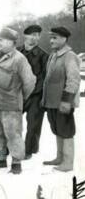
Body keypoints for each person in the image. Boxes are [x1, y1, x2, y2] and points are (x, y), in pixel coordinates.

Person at [0, 27, 36, 174]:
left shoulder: (19, 59)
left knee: (13, 134)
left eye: (1, 40)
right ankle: (0, 160)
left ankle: (16, 164)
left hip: (10, 105)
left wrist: (19, 98)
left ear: (11, 42)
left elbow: (30, 82)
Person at [42, 27, 81, 172]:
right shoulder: (54, 55)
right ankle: (59, 158)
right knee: (57, 129)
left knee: (66, 131)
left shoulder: (70, 56)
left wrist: (67, 100)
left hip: (63, 102)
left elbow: (74, 80)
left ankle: (68, 163)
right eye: (51, 37)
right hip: (52, 102)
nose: (51, 40)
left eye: (55, 38)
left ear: (64, 39)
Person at [17, 25, 49, 160]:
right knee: (12, 121)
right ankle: (11, 146)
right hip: (17, 93)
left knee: (34, 123)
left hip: (36, 94)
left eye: (37, 35)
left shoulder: (43, 56)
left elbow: (44, 77)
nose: (35, 38)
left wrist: (33, 91)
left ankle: (29, 150)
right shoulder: (16, 51)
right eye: (32, 34)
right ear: (25, 36)